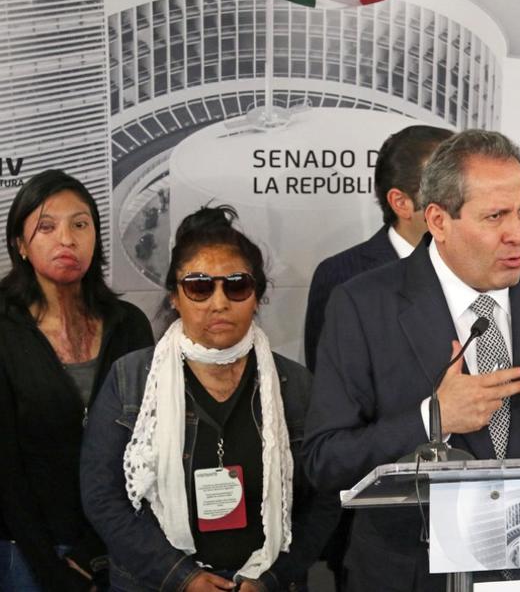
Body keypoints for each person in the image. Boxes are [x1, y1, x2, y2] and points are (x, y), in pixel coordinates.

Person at [302, 129, 520, 592]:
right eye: (495, 216)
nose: (518, 234)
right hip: (413, 575)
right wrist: (433, 418)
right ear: (438, 220)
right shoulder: (362, 304)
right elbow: (326, 460)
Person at [80, 205, 338, 591]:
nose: (219, 302)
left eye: (236, 285)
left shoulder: (295, 385)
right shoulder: (131, 379)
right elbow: (102, 495)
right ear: (174, 297)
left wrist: (269, 579)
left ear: (257, 296)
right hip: (155, 584)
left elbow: (324, 498)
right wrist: (182, 578)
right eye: (200, 287)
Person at [0, 169, 154, 591]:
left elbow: (148, 445)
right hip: (25, 551)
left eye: (80, 224)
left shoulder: (129, 325)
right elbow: (5, 468)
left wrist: (97, 547)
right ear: (20, 245)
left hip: (120, 543)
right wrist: (48, 566)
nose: (66, 239)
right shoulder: (5, 328)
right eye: (47, 227)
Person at [304, 124, 454, 371]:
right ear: (401, 203)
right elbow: (331, 386)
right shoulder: (343, 276)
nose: (467, 199)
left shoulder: (491, 267)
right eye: (449, 189)